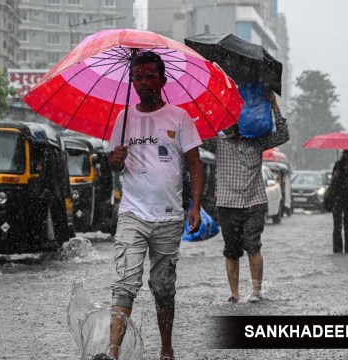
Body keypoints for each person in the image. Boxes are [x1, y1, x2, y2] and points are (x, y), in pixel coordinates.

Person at [102, 51, 204, 360]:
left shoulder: (179, 117)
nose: (143, 82)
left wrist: (195, 207)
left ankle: (166, 348)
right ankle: (113, 351)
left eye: (149, 76)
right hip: (132, 213)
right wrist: (114, 161)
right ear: (131, 81)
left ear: (162, 79)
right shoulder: (123, 118)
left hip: (169, 217)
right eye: (138, 77)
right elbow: (115, 165)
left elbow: (196, 166)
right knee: (124, 283)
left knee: (163, 287)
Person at [203, 119, 271, 304]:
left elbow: (282, 135)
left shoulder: (257, 141)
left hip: (254, 202)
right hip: (228, 204)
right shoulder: (218, 143)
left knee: (253, 246)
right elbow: (198, 135)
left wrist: (274, 106)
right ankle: (235, 294)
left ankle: (256, 292)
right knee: (231, 251)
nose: (230, 125)